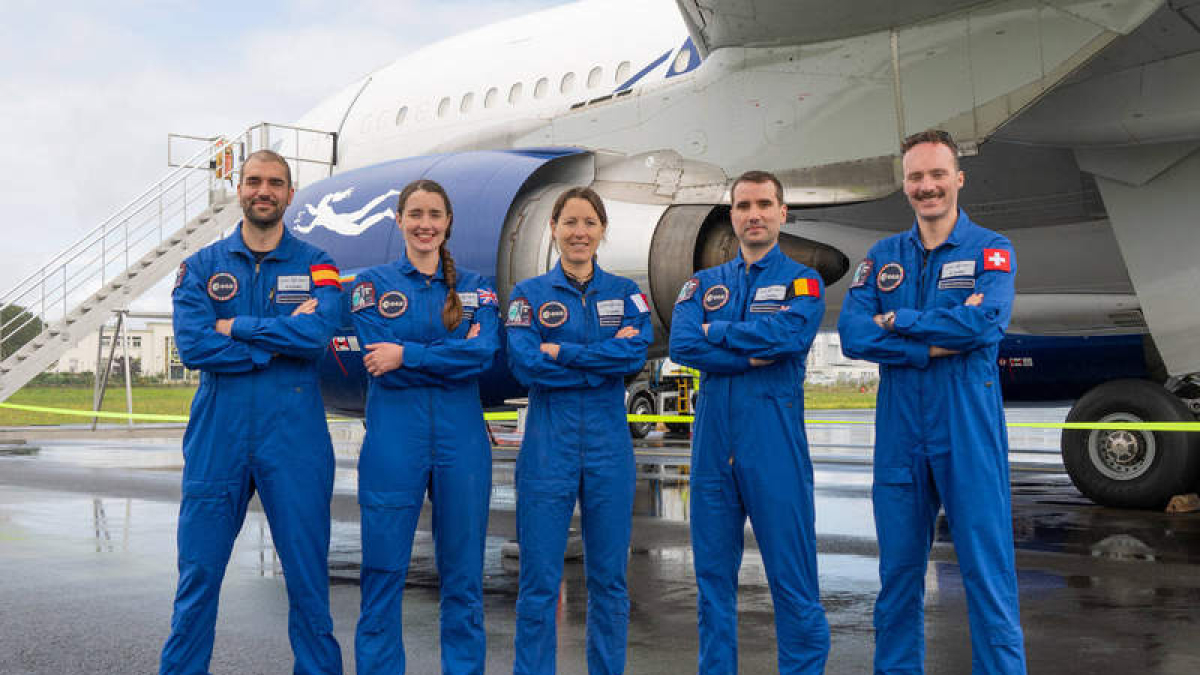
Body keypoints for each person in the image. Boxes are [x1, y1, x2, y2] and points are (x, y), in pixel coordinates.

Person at [837, 129, 1027, 674]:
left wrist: (900, 321)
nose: (927, 187)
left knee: (987, 575)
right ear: (905, 185)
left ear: (958, 179)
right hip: (899, 430)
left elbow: (986, 322)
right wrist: (934, 343)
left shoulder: (991, 249)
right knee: (897, 576)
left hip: (966, 425)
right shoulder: (882, 257)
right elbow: (853, 335)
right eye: (916, 177)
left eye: (937, 174)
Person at [162, 149, 344, 675]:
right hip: (219, 434)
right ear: (239, 190)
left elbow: (316, 336)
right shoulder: (199, 267)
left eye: (275, 183)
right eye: (254, 181)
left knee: (308, 580)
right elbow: (194, 346)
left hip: (296, 437)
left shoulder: (320, 264)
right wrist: (273, 346)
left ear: (291, 194)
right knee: (197, 577)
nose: (263, 191)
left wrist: (235, 327)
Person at [669, 170, 829, 674]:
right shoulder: (702, 285)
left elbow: (788, 340)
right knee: (712, 582)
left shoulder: (803, 281)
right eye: (743, 206)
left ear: (782, 213)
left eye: (764, 204)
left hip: (773, 444)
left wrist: (720, 337)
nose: (753, 214)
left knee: (793, 580)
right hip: (714, 449)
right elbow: (683, 346)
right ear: (732, 215)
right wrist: (748, 350)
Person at [349, 179, 500, 675]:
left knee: (463, 576)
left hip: (462, 441)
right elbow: (376, 355)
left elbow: (481, 355)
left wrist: (407, 354)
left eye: (435, 214)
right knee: (383, 570)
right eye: (415, 214)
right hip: (395, 438)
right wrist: (441, 358)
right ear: (399, 220)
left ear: (448, 222)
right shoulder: (372, 286)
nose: (425, 224)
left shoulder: (477, 289)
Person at [505, 187, 652, 675]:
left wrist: (561, 352)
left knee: (610, 579)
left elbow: (635, 357)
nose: (579, 232)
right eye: (569, 222)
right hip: (550, 441)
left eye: (589, 222)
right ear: (553, 229)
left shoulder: (626, 294)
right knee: (540, 579)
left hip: (609, 443)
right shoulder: (529, 296)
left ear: (602, 230)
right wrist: (601, 362)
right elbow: (526, 365)